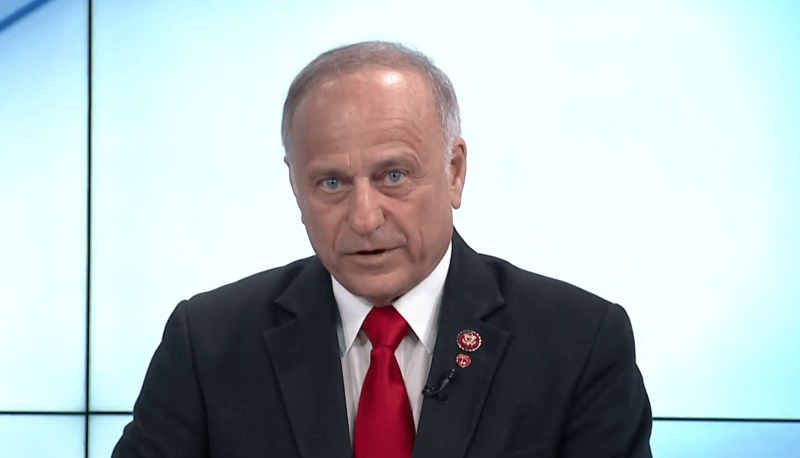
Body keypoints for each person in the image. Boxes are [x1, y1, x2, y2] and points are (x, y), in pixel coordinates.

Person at [112, 41, 652, 458]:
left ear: (455, 172)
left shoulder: (580, 343)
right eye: (330, 183)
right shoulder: (206, 344)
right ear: (295, 187)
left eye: (393, 175)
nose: (364, 217)